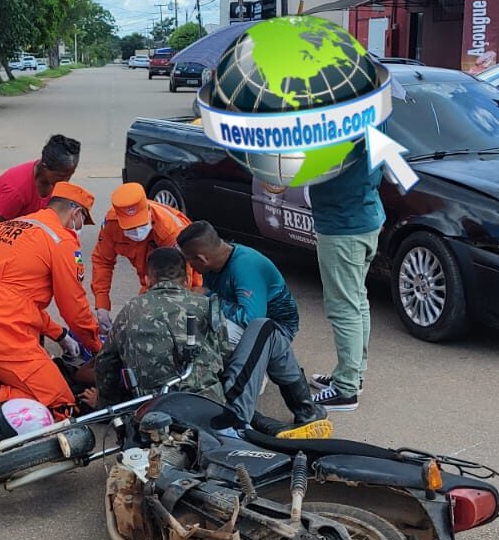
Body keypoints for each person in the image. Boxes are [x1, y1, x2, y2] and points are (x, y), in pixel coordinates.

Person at [91, 247, 329, 438]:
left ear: (147, 278)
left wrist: (107, 408)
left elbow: (105, 363)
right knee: (265, 327)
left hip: (156, 415)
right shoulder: (203, 306)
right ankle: (306, 411)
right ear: (186, 280)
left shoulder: (130, 311)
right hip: (213, 414)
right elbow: (226, 357)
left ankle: (266, 426)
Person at [0, 181, 103, 420]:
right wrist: (98, 347)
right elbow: (74, 306)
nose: (80, 227)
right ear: (76, 213)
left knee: (15, 377)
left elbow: (16, 296)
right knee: (61, 404)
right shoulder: (60, 240)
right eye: (83, 220)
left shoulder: (7, 227)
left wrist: (60, 334)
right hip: (0, 333)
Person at [303, 147, 385, 413]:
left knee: (344, 307)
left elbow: (306, 166)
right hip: (365, 214)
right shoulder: (373, 112)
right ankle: (351, 375)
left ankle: (345, 390)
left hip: (342, 225)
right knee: (357, 300)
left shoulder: (340, 122)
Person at [90, 182, 199, 330]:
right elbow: (102, 262)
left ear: (148, 210)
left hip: (186, 278)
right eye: (130, 227)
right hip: (149, 279)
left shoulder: (170, 230)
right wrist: (102, 304)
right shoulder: (112, 225)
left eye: (140, 224)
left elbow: (186, 277)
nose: (136, 231)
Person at [177, 221, 299, 342]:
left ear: (202, 259)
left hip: (277, 330)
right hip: (241, 322)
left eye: (189, 261)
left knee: (210, 338)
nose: (190, 266)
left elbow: (252, 321)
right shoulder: (212, 263)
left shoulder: (245, 266)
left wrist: (209, 298)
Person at [0, 134, 81, 249]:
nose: (66, 181)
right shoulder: (18, 189)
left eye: (70, 175)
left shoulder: (54, 181)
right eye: (61, 176)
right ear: (45, 165)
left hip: (20, 219)